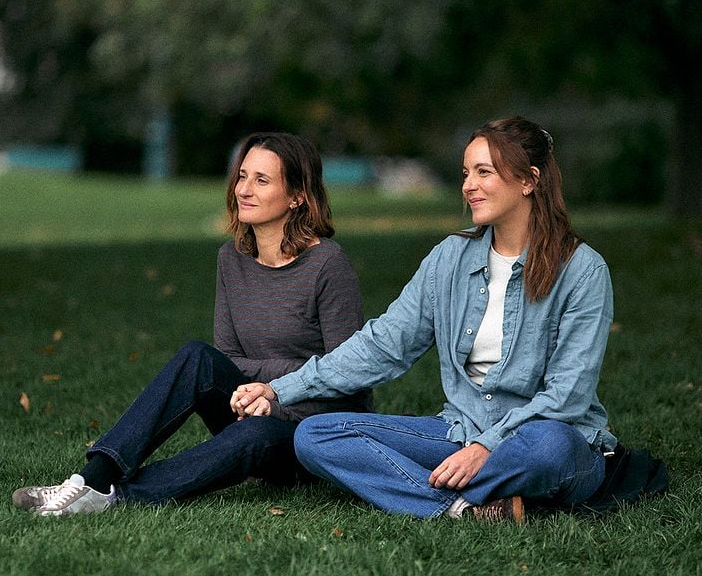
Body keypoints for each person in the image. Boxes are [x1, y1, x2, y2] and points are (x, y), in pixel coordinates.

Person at [231, 116, 616, 523]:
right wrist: (279, 389)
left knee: (551, 446)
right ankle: (462, 508)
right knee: (315, 434)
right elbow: (382, 345)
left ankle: (423, 489)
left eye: (484, 172)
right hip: (457, 434)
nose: (468, 185)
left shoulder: (582, 270)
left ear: (529, 180)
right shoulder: (449, 258)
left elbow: (567, 396)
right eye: (466, 173)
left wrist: (487, 447)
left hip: (543, 439)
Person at [14, 131, 372, 516]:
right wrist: (260, 389)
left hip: (310, 437)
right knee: (196, 357)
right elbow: (228, 358)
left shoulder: (328, 265)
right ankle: (90, 479)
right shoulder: (232, 260)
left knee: (255, 432)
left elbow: (347, 378)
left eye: (262, 180)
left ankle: (115, 496)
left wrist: (273, 394)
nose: (243, 190)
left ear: (297, 196)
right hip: (247, 408)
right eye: (242, 176)